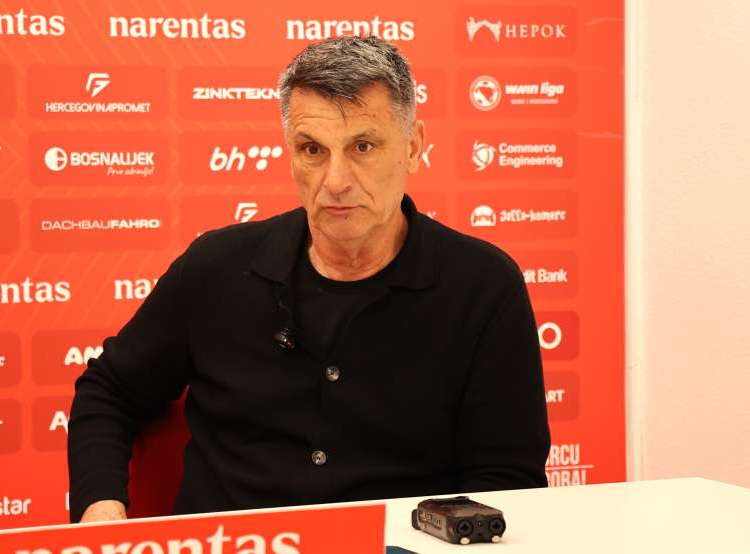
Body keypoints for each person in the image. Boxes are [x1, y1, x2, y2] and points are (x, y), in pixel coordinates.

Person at [68, 35, 550, 524]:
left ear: (413, 147)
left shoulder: (484, 287)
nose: (335, 181)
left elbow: (507, 479)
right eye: (312, 149)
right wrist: (100, 512)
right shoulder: (216, 267)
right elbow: (109, 390)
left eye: (363, 146)